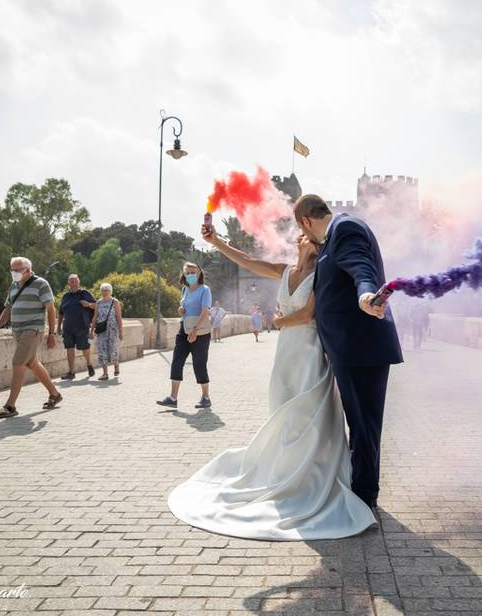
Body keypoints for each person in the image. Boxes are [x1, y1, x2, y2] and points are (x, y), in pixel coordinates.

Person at [166, 229, 375, 540]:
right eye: (302, 235)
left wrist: (279, 322)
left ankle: (310, 478)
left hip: (310, 351)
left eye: (306, 235)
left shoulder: (322, 273)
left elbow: (308, 313)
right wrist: (216, 243)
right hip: (285, 353)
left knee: (307, 414)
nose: (302, 237)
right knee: (282, 412)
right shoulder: (284, 271)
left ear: (314, 245)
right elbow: (247, 260)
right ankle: (284, 471)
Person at [295, 194, 403, 511]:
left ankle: (364, 497)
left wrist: (366, 295)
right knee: (360, 424)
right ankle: (362, 491)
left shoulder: (346, 228)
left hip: (360, 348)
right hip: (351, 349)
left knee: (364, 425)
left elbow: (361, 268)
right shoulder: (332, 238)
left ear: (305, 221)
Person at [0, 257, 63, 417]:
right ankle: (55, 394)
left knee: (18, 363)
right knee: (32, 363)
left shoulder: (41, 284)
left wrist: (52, 333)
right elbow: (8, 309)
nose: (14, 273)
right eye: (12, 269)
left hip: (33, 329)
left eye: (17, 269)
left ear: (28, 270)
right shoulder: (14, 286)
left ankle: (10, 406)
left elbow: (51, 309)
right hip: (17, 330)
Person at [156, 262, 212, 409]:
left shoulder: (205, 290)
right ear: (184, 274)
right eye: (187, 272)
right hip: (184, 329)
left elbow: (205, 311)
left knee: (199, 364)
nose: (190, 275)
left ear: (199, 273)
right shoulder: (184, 290)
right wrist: (181, 310)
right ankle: (173, 398)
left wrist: (195, 329)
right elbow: (185, 309)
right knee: (177, 361)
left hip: (200, 331)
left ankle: (205, 397)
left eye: (193, 272)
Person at [57, 274, 96, 380]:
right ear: (68, 283)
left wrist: (88, 304)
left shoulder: (85, 293)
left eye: (75, 281)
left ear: (79, 282)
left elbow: (97, 306)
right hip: (68, 327)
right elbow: (60, 312)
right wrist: (58, 327)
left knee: (84, 348)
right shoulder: (65, 296)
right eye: (71, 281)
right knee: (69, 348)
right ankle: (71, 372)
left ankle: (89, 364)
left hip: (82, 326)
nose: (73, 283)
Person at [90, 283, 123, 380]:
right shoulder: (98, 303)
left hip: (112, 330)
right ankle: (105, 373)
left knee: (113, 349)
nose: (105, 293)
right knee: (102, 350)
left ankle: (116, 364)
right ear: (101, 292)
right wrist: (92, 330)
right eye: (103, 291)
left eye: (107, 291)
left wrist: (121, 331)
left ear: (110, 292)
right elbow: (95, 316)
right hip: (101, 330)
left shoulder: (115, 302)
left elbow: (118, 317)